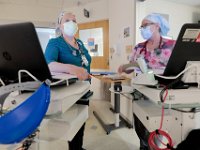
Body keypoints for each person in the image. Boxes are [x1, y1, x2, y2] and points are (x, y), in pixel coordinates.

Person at [118, 13, 176, 150]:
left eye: (145, 25)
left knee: (157, 130)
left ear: (157, 26)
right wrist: (124, 68)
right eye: (141, 26)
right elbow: (130, 68)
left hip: (161, 95)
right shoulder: (139, 47)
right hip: (140, 94)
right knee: (141, 128)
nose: (142, 28)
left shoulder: (171, 45)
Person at [44, 11, 91, 150]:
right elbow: (49, 65)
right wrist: (72, 68)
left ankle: (78, 147)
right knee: (73, 122)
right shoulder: (55, 43)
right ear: (60, 25)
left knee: (82, 120)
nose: (72, 23)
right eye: (67, 20)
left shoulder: (80, 43)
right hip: (70, 91)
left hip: (85, 88)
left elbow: (86, 62)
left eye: (74, 20)